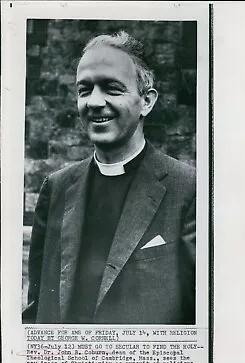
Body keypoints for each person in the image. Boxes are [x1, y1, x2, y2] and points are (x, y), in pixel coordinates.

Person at [22, 30, 196, 324]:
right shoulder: (57, 187)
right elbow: (38, 308)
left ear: (147, 102)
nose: (94, 102)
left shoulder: (188, 190)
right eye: (84, 90)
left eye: (112, 89)